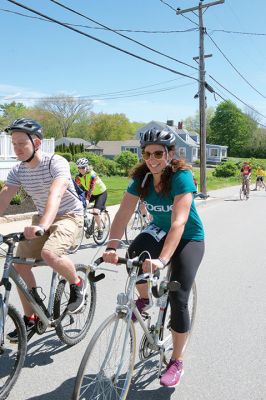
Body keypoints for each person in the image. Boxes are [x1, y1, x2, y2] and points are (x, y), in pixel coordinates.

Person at [103, 128, 205, 388]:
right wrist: (112, 246)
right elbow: (124, 212)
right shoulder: (142, 178)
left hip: (188, 237)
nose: (152, 158)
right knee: (133, 254)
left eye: (158, 153)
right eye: (147, 153)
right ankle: (145, 298)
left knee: (178, 295)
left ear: (170, 154)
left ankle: (177, 360)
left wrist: (162, 261)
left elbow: (179, 222)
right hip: (159, 230)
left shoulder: (181, 176)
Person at [0, 118, 86, 341]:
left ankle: (77, 283)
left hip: (69, 216)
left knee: (50, 254)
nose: (16, 148)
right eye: (14, 143)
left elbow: (55, 194)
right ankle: (32, 318)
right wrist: (40, 223)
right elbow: (5, 196)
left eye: (22, 143)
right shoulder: (18, 170)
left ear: (36, 143)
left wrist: (42, 226)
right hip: (41, 217)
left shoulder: (55, 163)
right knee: (17, 265)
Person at [75, 158, 107, 240]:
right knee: (78, 204)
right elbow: (76, 188)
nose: (81, 169)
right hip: (91, 193)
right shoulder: (78, 177)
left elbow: (91, 188)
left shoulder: (93, 175)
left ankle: (100, 229)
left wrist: (87, 199)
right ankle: (88, 223)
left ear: (87, 166)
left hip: (101, 193)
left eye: (83, 167)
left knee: (95, 212)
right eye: (79, 168)